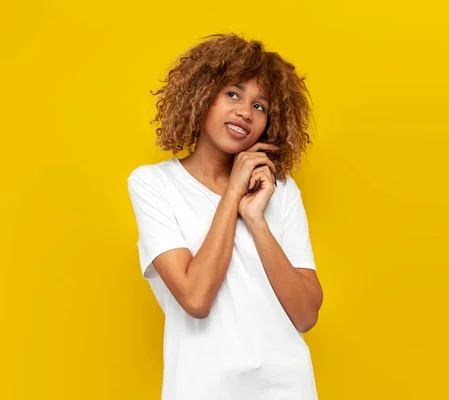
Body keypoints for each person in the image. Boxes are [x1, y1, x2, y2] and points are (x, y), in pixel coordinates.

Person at [127, 33, 323, 400]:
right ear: (202, 96)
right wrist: (233, 193)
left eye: (260, 106)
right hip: (202, 388)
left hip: (288, 387)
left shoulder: (280, 190)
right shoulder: (153, 184)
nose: (245, 112)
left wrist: (256, 219)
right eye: (232, 94)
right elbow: (196, 298)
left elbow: (306, 315)